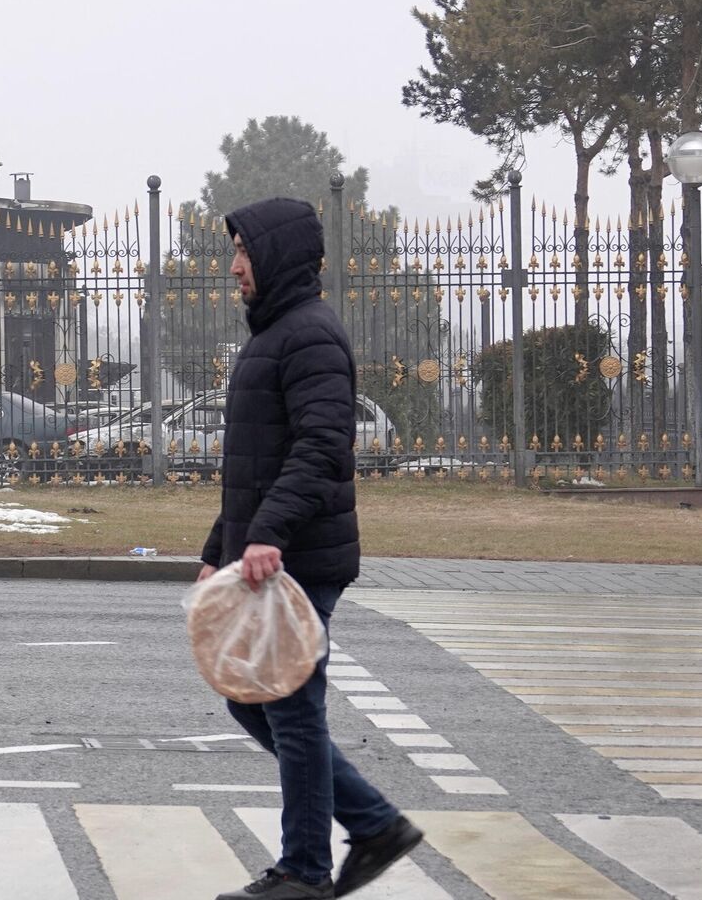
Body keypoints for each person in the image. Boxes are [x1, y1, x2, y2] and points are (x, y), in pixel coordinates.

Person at [201, 198, 423, 900]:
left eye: (244, 253)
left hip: (302, 556)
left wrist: (267, 534)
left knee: (291, 710)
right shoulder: (276, 334)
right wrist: (221, 544)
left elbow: (323, 447)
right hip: (271, 552)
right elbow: (254, 463)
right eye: (233, 253)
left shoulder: (310, 336)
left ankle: (304, 869)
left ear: (278, 258)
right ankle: (374, 823)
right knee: (252, 702)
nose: (235, 267)